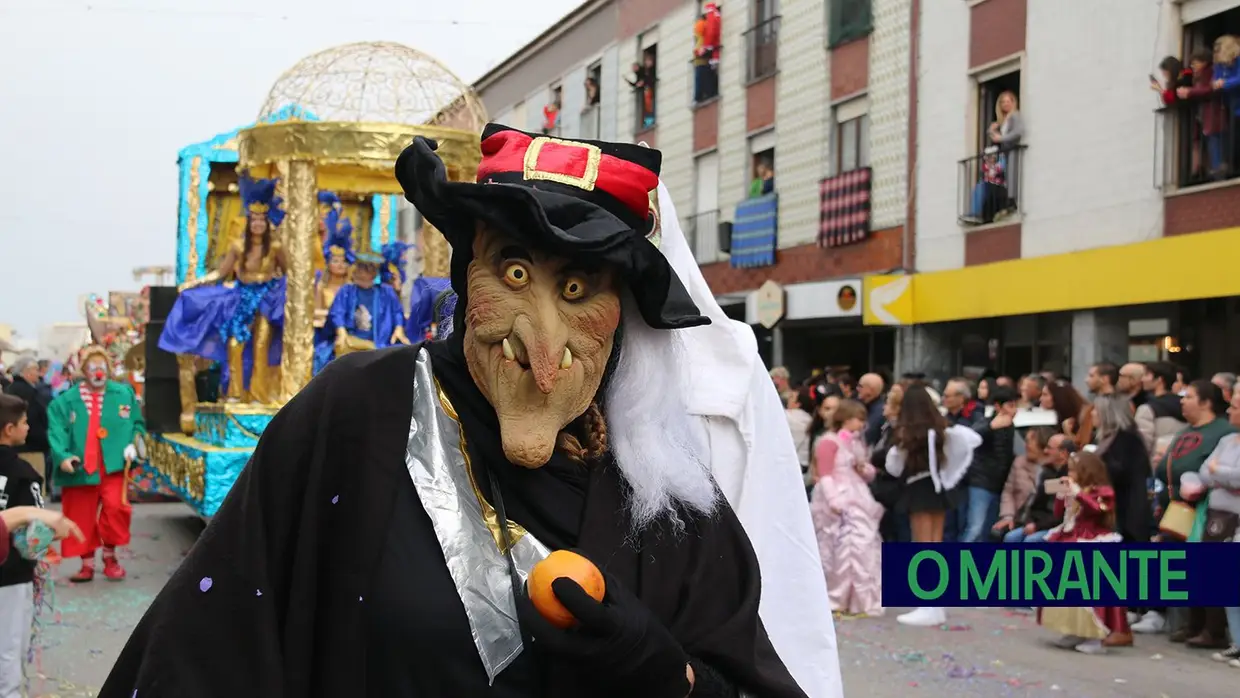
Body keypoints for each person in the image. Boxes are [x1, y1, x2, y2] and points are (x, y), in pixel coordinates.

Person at [99, 126, 822, 697]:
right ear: (465, 272)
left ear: (624, 314)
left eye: (578, 289)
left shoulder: (665, 494)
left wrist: (669, 676)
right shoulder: (360, 414)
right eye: (513, 272)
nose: (543, 344)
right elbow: (210, 648)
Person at [159, 175, 287, 403]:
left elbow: (289, 273)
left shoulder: (276, 247)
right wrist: (193, 284)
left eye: (262, 219)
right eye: (254, 219)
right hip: (241, 298)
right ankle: (234, 393)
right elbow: (220, 273)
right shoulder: (238, 246)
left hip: (266, 301)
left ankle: (259, 396)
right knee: (235, 345)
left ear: (268, 222)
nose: (257, 224)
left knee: (260, 346)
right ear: (248, 222)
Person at [884, 384, 982, 626]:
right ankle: (934, 605)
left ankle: (928, 605)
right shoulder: (941, 429)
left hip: (919, 488)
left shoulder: (910, 434)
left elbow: (894, 467)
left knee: (923, 548)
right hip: (937, 489)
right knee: (935, 547)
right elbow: (971, 439)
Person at [46, 346, 145, 583]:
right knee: (80, 515)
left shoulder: (123, 394)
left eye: (102, 368)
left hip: (113, 466)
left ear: (108, 370)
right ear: (83, 371)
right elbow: (56, 430)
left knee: (116, 510)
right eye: (92, 368)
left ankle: (110, 558)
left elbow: (137, 424)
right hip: (81, 468)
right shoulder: (65, 401)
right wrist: (63, 456)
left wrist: (135, 443)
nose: (98, 373)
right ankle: (86, 563)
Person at [1037, 452, 1130, 655]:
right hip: (1069, 537)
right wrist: (1063, 496)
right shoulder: (1075, 489)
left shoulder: (1103, 491)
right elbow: (1058, 514)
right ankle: (1076, 631)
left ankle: (1096, 636)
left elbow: (1098, 509)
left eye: (1073, 469)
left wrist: (1078, 492)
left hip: (1092, 541)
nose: (1069, 473)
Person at [809, 399, 883, 617]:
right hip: (838, 496)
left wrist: (863, 469)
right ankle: (836, 597)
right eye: (857, 419)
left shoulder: (856, 442)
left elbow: (867, 471)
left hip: (857, 494)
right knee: (838, 549)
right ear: (846, 418)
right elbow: (825, 474)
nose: (861, 424)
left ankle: (859, 599)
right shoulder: (828, 442)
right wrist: (833, 500)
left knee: (864, 545)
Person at [1199, 386, 1240, 667]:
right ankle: (1236, 643)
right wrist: (1220, 475)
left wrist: (1219, 472)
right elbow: (1203, 473)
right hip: (1218, 517)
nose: (1228, 410)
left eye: (1235, 406)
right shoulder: (1227, 440)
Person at [324, 251, 412, 361]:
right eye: (359, 267)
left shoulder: (386, 291)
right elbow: (337, 312)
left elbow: (397, 312)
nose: (361, 271)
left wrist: (399, 330)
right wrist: (341, 333)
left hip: (380, 342)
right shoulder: (346, 290)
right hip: (353, 341)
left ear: (374, 272)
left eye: (367, 268)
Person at [962, 385, 1017, 542]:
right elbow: (970, 437)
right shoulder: (987, 423)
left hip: (999, 485)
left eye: (1015, 406)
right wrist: (991, 427)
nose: (1014, 411)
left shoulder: (1010, 427)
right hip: (981, 483)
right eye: (1010, 406)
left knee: (987, 531)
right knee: (975, 529)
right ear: (998, 407)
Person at [1000, 433, 1073, 543]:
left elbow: (1061, 514)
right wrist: (1029, 522)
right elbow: (1036, 504)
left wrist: (1037, 526)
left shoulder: (1070, 476)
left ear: (1063, 453)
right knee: (1011, 538)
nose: (1045, 451)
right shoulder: (1046, 472)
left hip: (1059, 525)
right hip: (1038, 522)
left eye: (1049, 448)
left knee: (1031, 541)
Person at [992, 426, 1055, 540]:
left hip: (1041, 521)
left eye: (1030, 442)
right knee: (1008, 537)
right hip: (1020, 517)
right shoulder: (1019, 462)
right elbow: (1008, 492)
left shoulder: (1053, 470)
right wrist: (1008, 516)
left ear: (1043, 446)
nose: (1026, 445)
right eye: (1025, 441)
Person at [3, 357, 48, 479]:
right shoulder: (30, 393)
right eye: (35, 370)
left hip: (10, 449)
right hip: (31, 449)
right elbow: (35, 420)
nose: (38, 374)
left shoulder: (9, 389)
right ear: (27, 371)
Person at [1136, 361, 1186, 460]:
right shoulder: (1185, 404)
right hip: (1182, 460)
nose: (1142, 379)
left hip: (1156, 462)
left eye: (1146, 375)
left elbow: (1143, 445)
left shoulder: (1147, 409)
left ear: (1159, 379)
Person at [856, 373, 886, 446]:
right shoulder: (861, 406)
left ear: (870, 389)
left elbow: (868, 437)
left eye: (860, 386)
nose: (857, 389)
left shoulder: (880, 412)